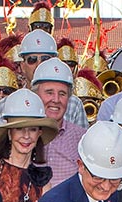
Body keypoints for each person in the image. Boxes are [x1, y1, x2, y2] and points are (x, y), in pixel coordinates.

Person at [34, 57, 88, 186]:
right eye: (49, 92)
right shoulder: (22, 135)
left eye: (62, 94)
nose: (56, 99)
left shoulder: (82, 138)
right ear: (36, 95)